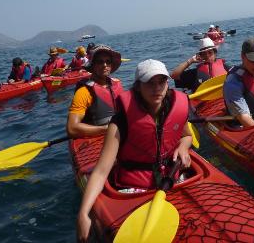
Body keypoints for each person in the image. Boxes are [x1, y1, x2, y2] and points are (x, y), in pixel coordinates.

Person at [76, 59, 192, 242]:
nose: (157, 88)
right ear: (138, 87)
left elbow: (186, 135)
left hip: (171, 176)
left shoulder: (173, 107)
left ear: (168, 83)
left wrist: (184, 147)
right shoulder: (121, 121)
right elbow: (101, 171)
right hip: (134, 187)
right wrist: (83, 213)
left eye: (161, 82)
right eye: (150, 83)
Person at [66, 45, 124, 139]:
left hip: (120, 132)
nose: (105, 65)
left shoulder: (117, 84)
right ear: (92, 65)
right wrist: (107, 129)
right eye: (100, 62)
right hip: (98, 138)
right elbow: (72, 128)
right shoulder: (83, 92)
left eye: (108, 61)